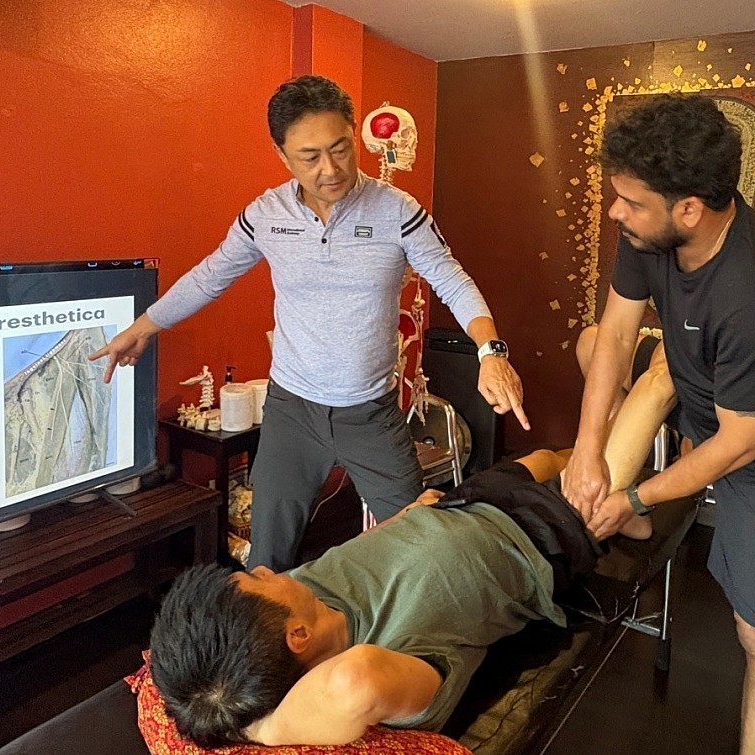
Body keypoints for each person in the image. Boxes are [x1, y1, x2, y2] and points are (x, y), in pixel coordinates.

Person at [90, 75, 529, 571]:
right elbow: (211, 275)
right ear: (281, 155)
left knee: (420, 547)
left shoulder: (397, 210)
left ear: (353, 135)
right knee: (268, 559)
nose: (330, 169)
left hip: (371, 414)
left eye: (340, 149)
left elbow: (452, 280)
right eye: (310, 156)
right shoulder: (265, 214)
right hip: (291, 414)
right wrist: (142, 327)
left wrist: (491, 353)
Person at [147, 349, 676, 748]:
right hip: (536, 542)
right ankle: (642, 437)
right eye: (258, 581)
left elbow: (360, 553)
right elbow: (352, 683)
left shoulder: (300, 596)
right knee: (656, 388)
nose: (265, 569)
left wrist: (405, 518)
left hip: (462, 503)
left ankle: (622, 476)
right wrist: (252, 728)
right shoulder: (389, 666)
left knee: (552, 456)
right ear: (297, 636)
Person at [561, 93, 755, 753]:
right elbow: (616, 335)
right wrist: (586, 451)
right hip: (708, 401)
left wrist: (637, 497)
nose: (615, 211)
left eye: (630, 202)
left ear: (690, 209)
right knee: (603, 349)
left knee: (754, 634)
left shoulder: (744, 293)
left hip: (747, 443)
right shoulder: (649, 230)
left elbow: (739, 441)